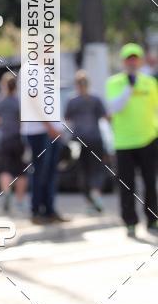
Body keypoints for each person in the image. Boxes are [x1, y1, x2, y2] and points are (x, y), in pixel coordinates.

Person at [106, 43, 158, 238]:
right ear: (123, 62)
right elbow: (114, 107)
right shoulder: (114, 82)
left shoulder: (150, 82)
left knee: (150, 182)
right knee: (127, 185)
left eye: (135, 59)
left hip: (148, 139)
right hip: (123, 142)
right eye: (129, 59)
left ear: (140, 61)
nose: (132, 62)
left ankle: (152, 219)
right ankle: (130, 222)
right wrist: (129, 86)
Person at [65, 70, 109, 214]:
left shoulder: (72, 100)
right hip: (95, 137)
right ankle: (96, 193)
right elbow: (105, 117)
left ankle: (90, 202)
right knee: (97, 168)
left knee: (82, 171)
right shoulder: (96, 99)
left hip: (78, 139)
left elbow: (67, 119)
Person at [0, 72, 27, 214]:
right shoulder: (19, 101)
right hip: (19, 139)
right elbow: (24, 121)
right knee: (21, 171)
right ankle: (20, 202)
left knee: (5, 170)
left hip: (4, 139)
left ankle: (7, 193)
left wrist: (2, 121)